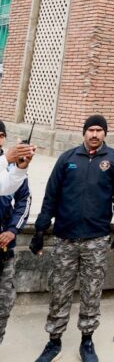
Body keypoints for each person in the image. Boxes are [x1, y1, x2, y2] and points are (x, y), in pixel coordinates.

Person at [30, 115, 114, 362]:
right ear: (84, 132)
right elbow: (50, 196)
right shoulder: (67, 159)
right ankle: (54, 342)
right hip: (65, 238)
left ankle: (87, 341)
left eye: (99, 130)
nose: (94, 134)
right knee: (59, 291)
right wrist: (40, 231)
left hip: (96, 239)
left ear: (105, 133)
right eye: (90, 130)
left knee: (91, 291)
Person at [0, 122, 32, 345]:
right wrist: (6, 160)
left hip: (3, 249)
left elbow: (12, 190)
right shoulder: (4, 162)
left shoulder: (8, 165)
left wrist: (20, 167)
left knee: (3, 303)